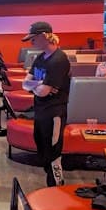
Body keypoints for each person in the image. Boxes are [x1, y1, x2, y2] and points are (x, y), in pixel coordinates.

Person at [22, 22, 71, 187]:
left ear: (44, 36)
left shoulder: (59, 59)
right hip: (40, 110)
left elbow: (41, 90)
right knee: (42, 147)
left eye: (33, 39)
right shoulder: (40, 57)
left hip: (54, 111)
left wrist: (38, 87)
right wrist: (41, 85)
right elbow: (26, 83)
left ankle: (56, 187)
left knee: (53, 151)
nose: (31, 43)